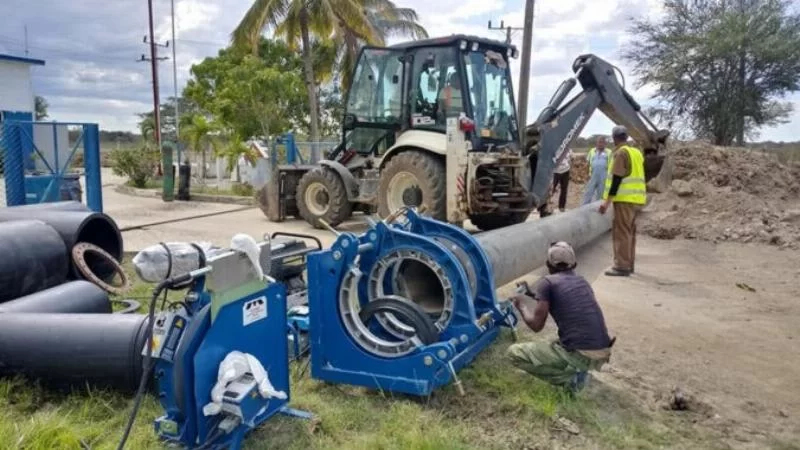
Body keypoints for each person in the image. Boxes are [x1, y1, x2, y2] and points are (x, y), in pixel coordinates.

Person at [506, 242, 613, 393]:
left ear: (548, 264)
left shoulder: (547, 282)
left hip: (581, 353)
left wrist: (522, 306)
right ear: (574, 264)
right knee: (555, 343)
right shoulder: (582, 282)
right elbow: (560, 299)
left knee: (513, 353)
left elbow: (536, 326)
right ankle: (579, 368)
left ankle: (570, 380)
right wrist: (531, 293)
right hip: (602, 350)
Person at [599, 126, 647, 277]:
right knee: (630, 233)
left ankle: (621, 266)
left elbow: (616, 180)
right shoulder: (636, 152)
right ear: (626, 137)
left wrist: (606, 203)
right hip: (637, 199)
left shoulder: (620, 153)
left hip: (624, 200)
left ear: (614, 138)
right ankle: (629, 263)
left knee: (621, 233)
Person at [582, 136, 610, 204]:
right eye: (599, 142)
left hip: (604, 177)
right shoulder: (592, 151)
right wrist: (586, 175)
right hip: (592, 176)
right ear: (596, 143)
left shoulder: (609, 152)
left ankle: (598, 209)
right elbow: (587, 164)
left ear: (605, 144)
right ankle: (584, 207)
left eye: (602, 142)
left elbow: (611, 165)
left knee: (601, 194)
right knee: (588, 192)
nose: (600, 144)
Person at [551, 146, 572, 212]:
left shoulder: (568, 148)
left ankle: (562, 207)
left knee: (564, 189)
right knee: (551, 189)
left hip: (566, 171)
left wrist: (569, 165)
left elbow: (571, 158)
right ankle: (545, 207)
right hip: (555, 171)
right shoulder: (555, 147)